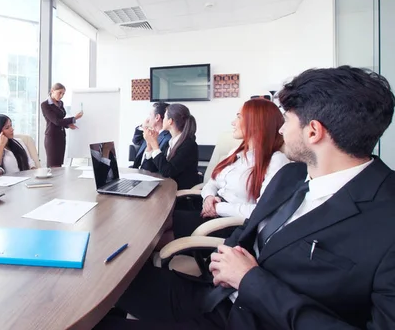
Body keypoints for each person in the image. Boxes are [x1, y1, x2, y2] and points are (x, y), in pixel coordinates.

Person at [96, 65, 395, 330]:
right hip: (214, 296)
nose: (280, 129)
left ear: (313, 132)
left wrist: (250, 281)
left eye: (287, 121)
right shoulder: (292, 176)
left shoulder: (385, 220)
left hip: (251, 317)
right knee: (107, 278)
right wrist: (226, 257)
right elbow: (248, 229)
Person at [173, 98, 290, 239]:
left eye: (239, 117)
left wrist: (218, 207)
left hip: (232, 225)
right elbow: (212, 182)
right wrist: (209, 197)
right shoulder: (236, 152)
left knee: (159, 232)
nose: (233, 123)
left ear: (256, 122)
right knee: (161, 219)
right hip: (212, 211)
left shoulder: (276, 161)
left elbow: (262, 211)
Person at [141, 103, 199, 190]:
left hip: (178, 194)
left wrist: (155, 145)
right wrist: (150, 145)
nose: (162, 120)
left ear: (170, 121)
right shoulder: (171, 142)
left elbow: (168, 172)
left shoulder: (189, 145)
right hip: (166, 189)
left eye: (164, 117)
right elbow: (148, 170)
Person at [40, 83, 83, 167]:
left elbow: (61, 121)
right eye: (60, 92)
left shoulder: (60, 103)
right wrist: (74, 118)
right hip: (52, 138)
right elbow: (56, 121)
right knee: (53, 165)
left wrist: (68, 125)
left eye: (63, 94)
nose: (61, 95)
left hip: (61, 137)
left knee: (59, 165)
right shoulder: (45, 105)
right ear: (52, 91)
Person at [131, 101, 171, 172]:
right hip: (137, 172)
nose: (148, 118)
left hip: (150, 175)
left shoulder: (168, 139)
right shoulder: (150, 133)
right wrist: (142, 126)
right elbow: (136, 141)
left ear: (157, 117)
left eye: (150, 115)